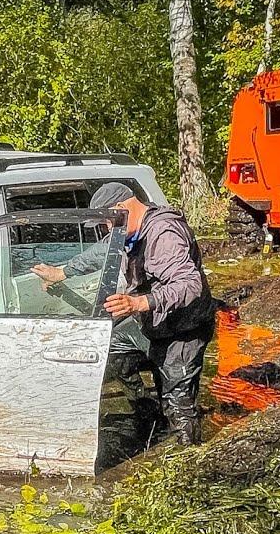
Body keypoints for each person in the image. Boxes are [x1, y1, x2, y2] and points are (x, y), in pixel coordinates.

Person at [31, 183, 216, 445]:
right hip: (150, 322)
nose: (107, 229)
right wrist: (62, 272)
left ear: (120, 209)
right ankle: (148, 410)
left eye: (108, 221)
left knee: (178, 402)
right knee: (108, 351)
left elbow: (189, 284)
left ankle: (190, 460)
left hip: (184, 328)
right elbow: (102, 251)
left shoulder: (163, 234)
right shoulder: (128, 232)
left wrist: (140, 303)